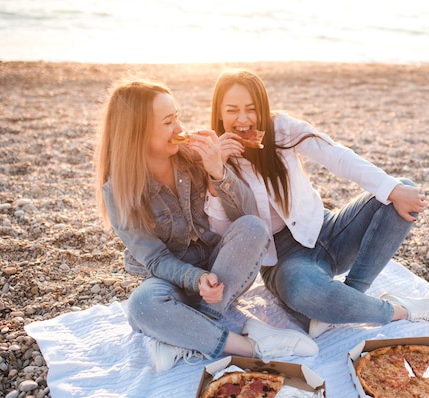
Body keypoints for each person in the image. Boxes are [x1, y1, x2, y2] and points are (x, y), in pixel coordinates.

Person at [208, 69, 429, 338]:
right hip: (281, 260)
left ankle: (351, 296)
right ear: (219, 113)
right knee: (307, 293)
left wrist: (392, 188)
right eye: (232, 110)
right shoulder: (211, 157)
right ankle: (399, 309)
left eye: (251, 109)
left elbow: (336, 156)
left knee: (401, 191)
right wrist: (216, 174)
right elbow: (224, 233)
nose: (243, 120)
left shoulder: (282, 129)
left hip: (326, 229)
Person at [94, 79, 318, 372]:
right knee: (140, 306)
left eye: (177, 117)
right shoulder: (118, 190)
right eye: (168, 122)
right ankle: (248, 344)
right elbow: (155, 259)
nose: (179, 128)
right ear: (137, 133)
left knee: (253, 227)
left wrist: (217, 170)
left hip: (221, 271)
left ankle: (181, 335)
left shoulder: (194, 155)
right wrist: (195, 279)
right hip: (173, 277)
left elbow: (246, 212)